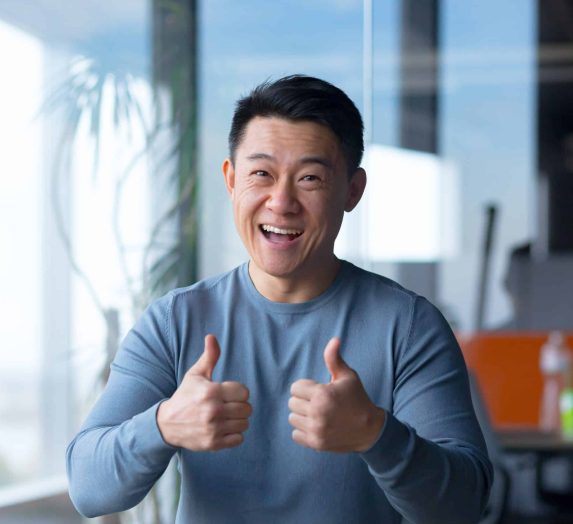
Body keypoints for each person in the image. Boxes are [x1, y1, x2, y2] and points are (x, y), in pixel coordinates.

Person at [66, 75, 492, 523]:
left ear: (352, 190)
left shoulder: (408, 327)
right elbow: (88, 489)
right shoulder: (175, 321)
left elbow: (464, 506)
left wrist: (375, 432)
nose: (281, 201)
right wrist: (164, 424)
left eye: (310, 178)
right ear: (231, 180)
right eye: (261, 174)